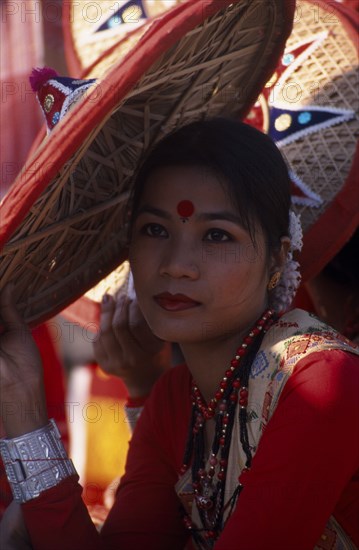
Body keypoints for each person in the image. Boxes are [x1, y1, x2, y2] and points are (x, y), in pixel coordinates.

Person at [0, 119, 358, 550]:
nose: (176, 264)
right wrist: (24, 412)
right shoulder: (175, 398)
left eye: (216, 235)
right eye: (155, 230)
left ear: (278, 258)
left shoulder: (320, 381)